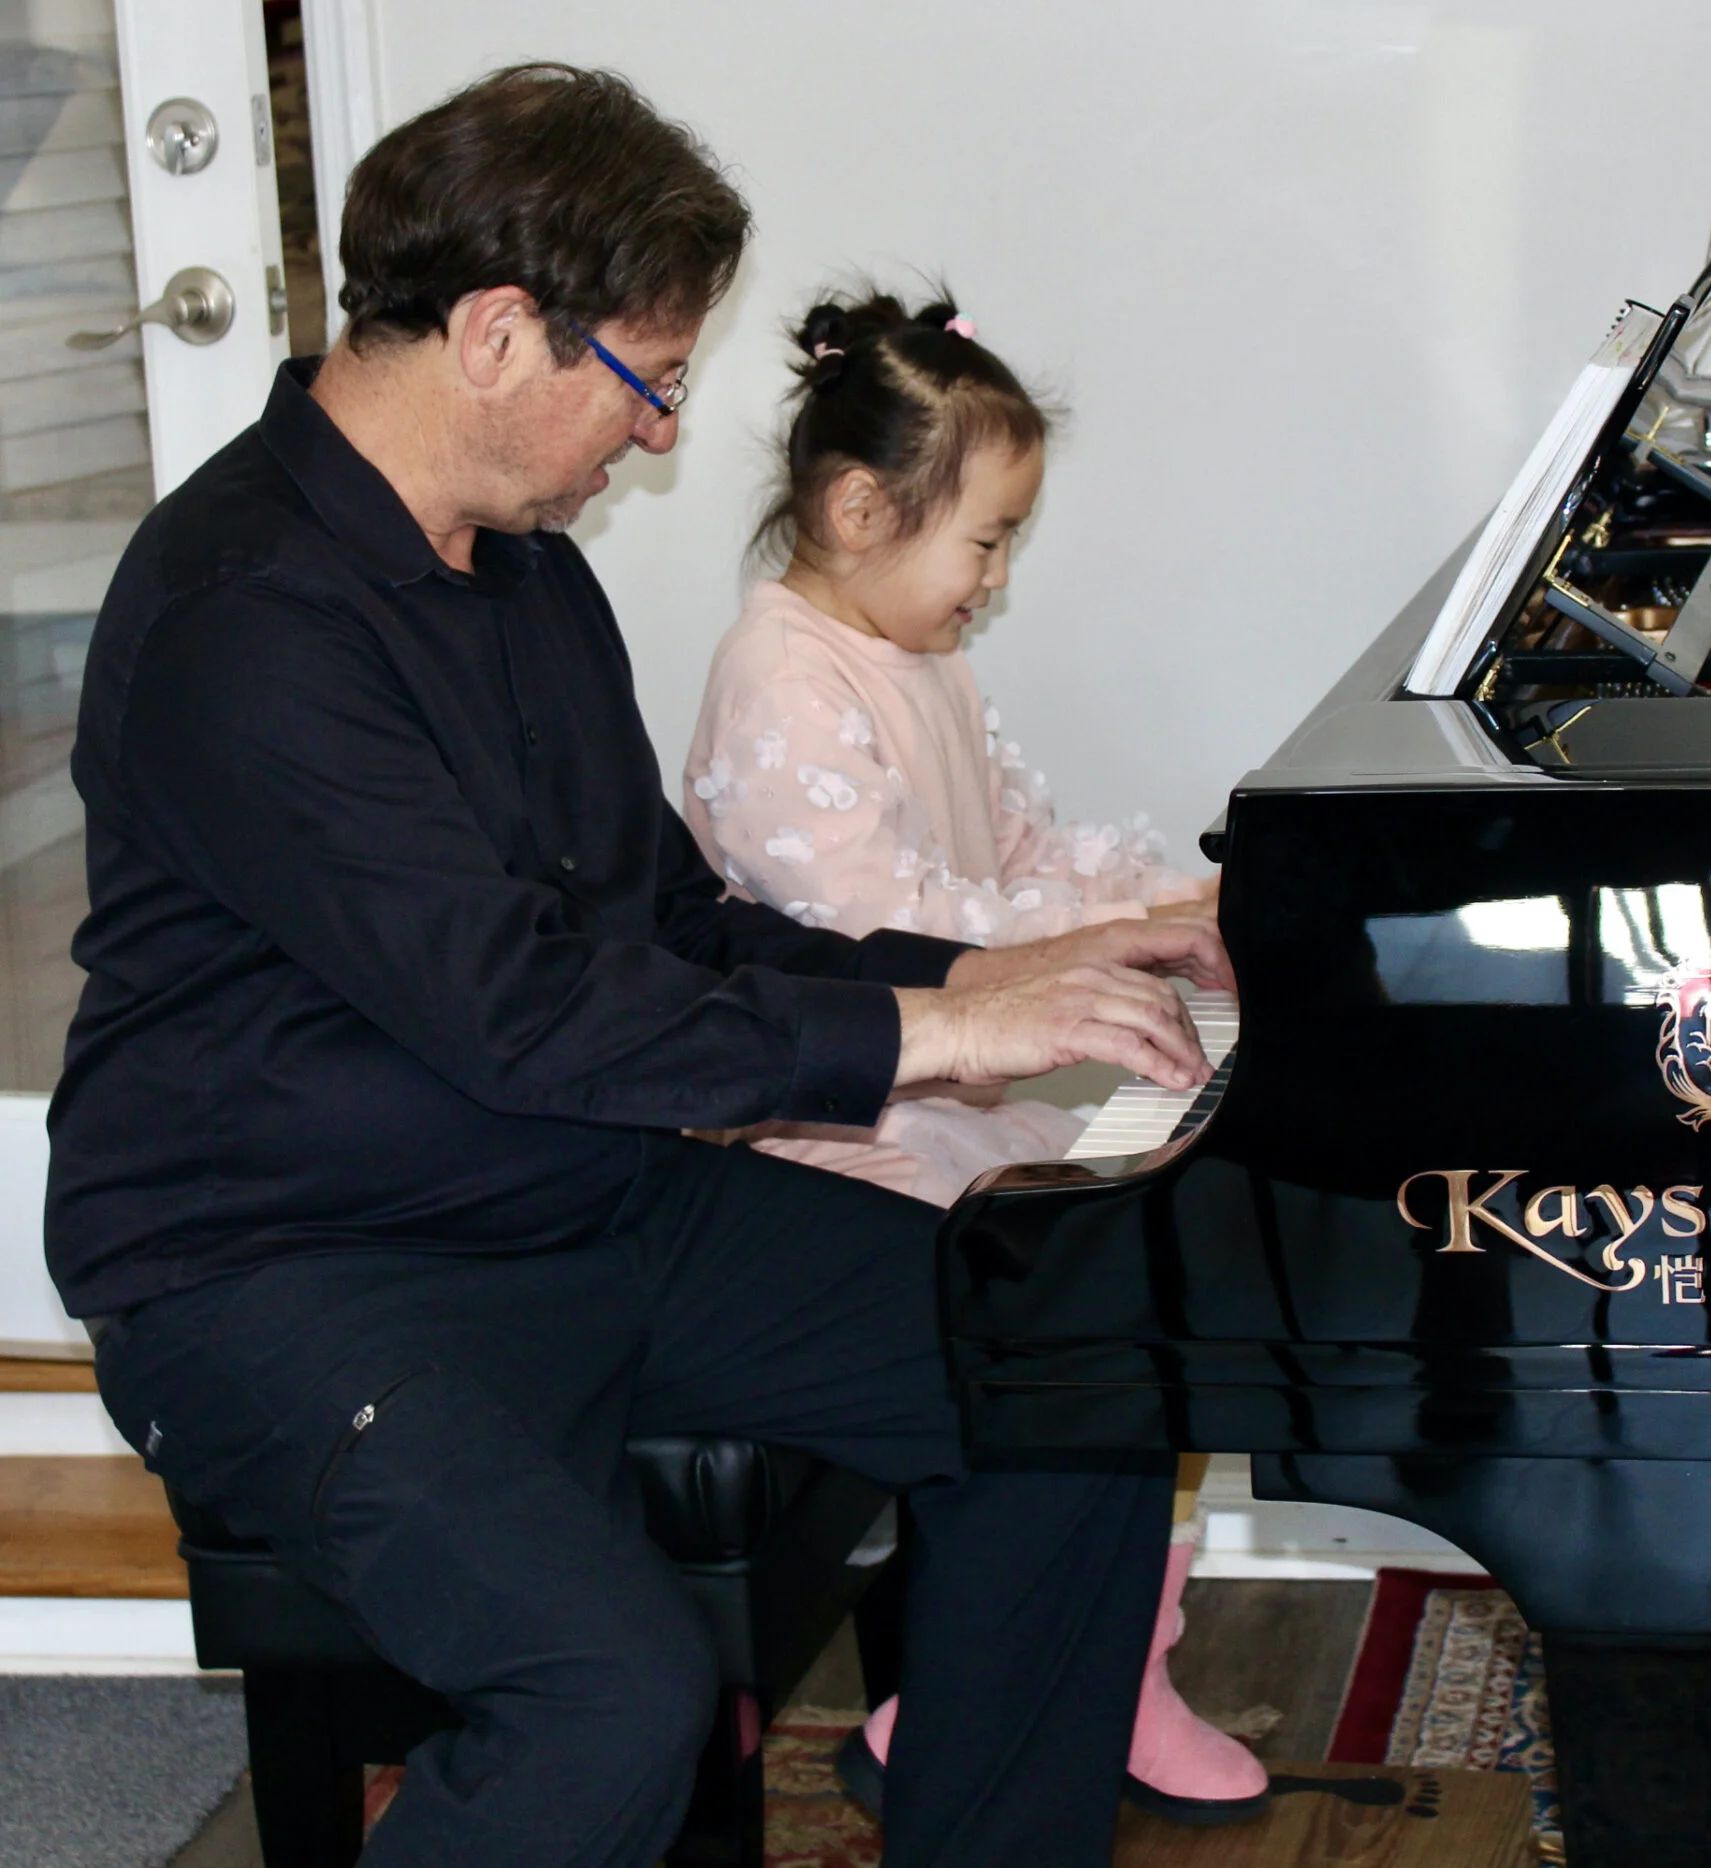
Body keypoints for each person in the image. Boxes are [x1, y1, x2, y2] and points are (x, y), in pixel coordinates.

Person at [45, 65, 1230, 1868]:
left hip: (572, 1202)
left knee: (1076, 1365)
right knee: (611, 1696)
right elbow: (521, 1006)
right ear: (503, 335)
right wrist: (935, 1031)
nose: (666, 434)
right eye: (653, 376)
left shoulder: (523, 575)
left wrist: (1023, 973)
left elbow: (674, 931)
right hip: (279, 1268)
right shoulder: (245, 616)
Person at [682, 292, 1266, 1823]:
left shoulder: (918, 652)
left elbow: (1014, 850)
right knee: (1082, 1291)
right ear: (859, 507)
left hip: (955, 1096)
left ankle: (1086, 1650)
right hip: (841, 1129)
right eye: (986, 542)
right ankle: (999, 1678)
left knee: (1164, 1229)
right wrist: (1097, 938)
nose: (995, 580)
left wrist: (1156, 909)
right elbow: (892, 932)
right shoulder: (783, 679)